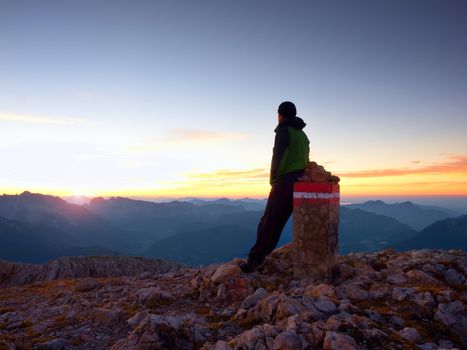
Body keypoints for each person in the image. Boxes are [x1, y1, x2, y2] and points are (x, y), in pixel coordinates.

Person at [240, 101, 310, 273]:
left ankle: (255, 261)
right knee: (278, 223)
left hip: (284, 182)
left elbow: (277, 156)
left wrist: (273, 180)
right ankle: (264, 256)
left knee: (268, 221)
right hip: (299, 184)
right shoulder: (302, 134)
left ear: (280, 114)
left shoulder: (284, 130)